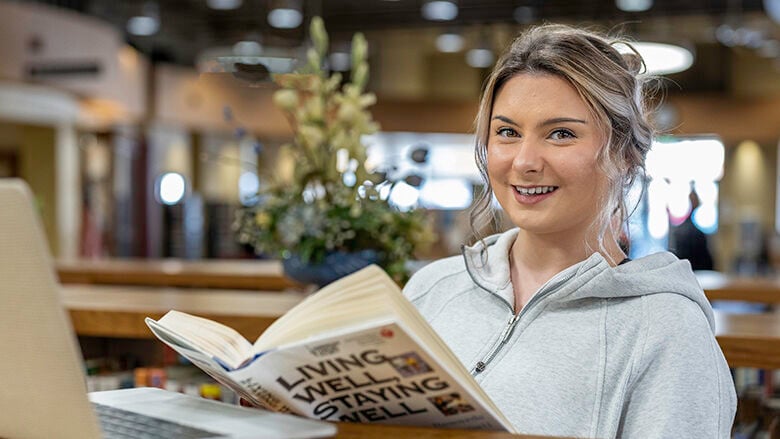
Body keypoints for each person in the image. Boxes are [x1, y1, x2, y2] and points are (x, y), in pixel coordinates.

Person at [403, 24, 736, 438]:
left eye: (561, 134)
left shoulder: (666, 330)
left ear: (625, 155)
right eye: (507, 132)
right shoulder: (431, 289)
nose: (524, 161)